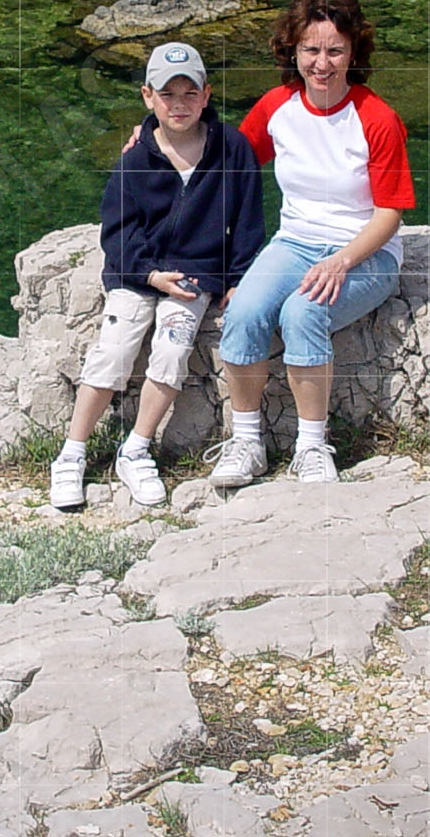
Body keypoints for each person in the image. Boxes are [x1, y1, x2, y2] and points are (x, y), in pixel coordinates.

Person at [209, 0, 414, 488]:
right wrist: (153, 138)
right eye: (311, 50)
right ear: (293, 51)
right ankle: (247, 442)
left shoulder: (377, 118)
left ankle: (312, 446)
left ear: (354, 53)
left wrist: (341, 261)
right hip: (294, 243)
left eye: (334, 50)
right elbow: (225, 160)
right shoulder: (278, 106)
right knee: (244, 312)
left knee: (304, 313)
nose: (321, 63)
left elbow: (390, 213)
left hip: (366, 251)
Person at [49, 42, 266, 511]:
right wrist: (150, 276)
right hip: (136, 276)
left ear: (207, 95)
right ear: (148, 97)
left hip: (194, 277)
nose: (180, 103)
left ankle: (136, 447)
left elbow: (249, 218)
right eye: (168, 94)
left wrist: (237, 278)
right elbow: (117, 232)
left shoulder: (232, 148)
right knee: (115, 349)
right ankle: (72, 454)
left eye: (190, 92)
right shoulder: (134, 161)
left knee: (172, 349)